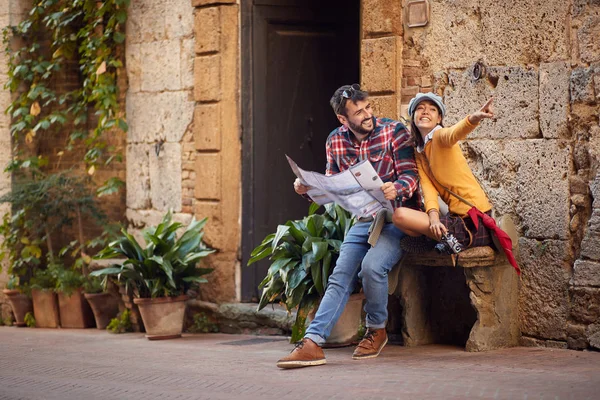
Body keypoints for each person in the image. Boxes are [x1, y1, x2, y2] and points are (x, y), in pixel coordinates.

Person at [276, 84, 421, 369]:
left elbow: (411, 176)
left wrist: (398, 188)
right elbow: (332, 186)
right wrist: (307, 188)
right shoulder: (335, 141)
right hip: (364, 218)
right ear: (343, 119)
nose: (368, 115)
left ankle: (376, 329)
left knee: (371, 267)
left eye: (368, 107)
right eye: (359, 112)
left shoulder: (394, 131)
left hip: (398, 217)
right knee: (339, 275)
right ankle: (313, 342)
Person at [392, 93, 519, 274]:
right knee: (402, 222)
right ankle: (441, 239)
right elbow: (428, 190)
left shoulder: (440, 137)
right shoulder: (419, 153)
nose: (425, 111)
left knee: (400, 215)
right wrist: (434, 219)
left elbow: (454, 133)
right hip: (456, 217)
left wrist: (475, 118)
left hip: (474, 220)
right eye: (420, 108)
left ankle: (444, 241)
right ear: (413, 116)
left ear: (439, 118)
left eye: (432, 109)